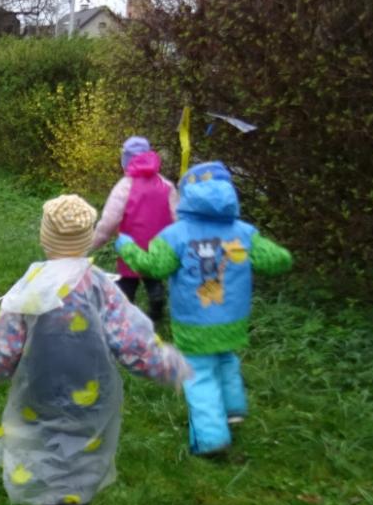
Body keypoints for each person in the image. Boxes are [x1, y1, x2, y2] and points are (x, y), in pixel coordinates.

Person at [0, 194, 191, 505]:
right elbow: (131, 340)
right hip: (91, 387)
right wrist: (169, 365)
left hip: (39, 389)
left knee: (46, 442)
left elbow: (5, 342)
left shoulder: (32, 285)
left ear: (45, 237)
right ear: (88, 238)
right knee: (83, 447)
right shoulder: (101, 286)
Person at [116, 161, 293, 456]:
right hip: (233, 319)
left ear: (187, 196)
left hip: (194, 322)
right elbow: (279, 260)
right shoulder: (244, 233)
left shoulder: (175, 235)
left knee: (198, 373)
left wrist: (127, 247)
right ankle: (233, 410)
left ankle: (211, 438)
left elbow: (153, 267)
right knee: (225, 358)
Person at [90, 136, 178, 322]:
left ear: (126, 161)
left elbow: (109, 221)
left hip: (131, 246)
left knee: (127, 282)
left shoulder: (125, 186)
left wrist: (92, 243)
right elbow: (177, 219)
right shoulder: (166, 185)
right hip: (158, 247)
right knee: (153, 276)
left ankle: (121, 316)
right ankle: (156, 301)